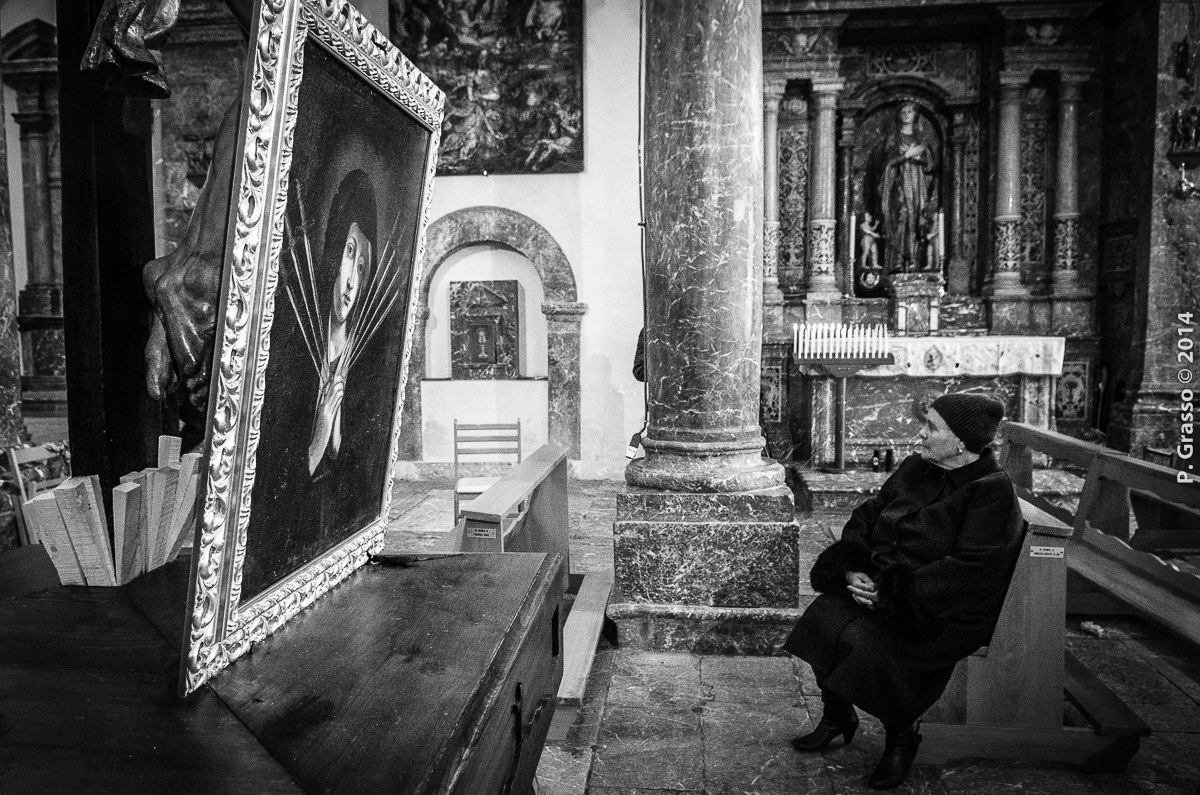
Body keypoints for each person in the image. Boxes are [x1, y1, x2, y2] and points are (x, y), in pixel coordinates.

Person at [783, 392, 1022, 790]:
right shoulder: (915, 468)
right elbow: (867, 515)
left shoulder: (991, 490)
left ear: (961, 441)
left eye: (932, 427)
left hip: (940, 607)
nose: (921, 436)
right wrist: (854, 568)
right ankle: (837, 714)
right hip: (884, 585)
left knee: (869, 641)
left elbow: (973, 570)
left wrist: (895, 595)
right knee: (824, 617)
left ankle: (901, 738)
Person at [879, 101, 938, 274]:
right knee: (901, 216)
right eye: (903, 111)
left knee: (917, 218)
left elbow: (930, 166)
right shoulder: (894, 138)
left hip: (918, 185)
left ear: (915, 115)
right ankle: (897, 259)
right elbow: (887, 163)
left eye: (909, 111)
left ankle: (914, 259)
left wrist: (920, 159)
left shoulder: (921, 139)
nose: (906, 114)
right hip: (898, 184)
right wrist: (906, 155)